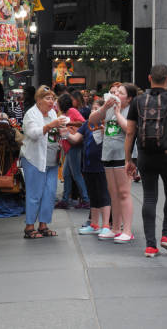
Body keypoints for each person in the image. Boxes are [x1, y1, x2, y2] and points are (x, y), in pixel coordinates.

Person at [125, 65, 167, 258]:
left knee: (149, 197)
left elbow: (130, 132)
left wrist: (129, 159)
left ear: (149, 78)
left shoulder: (137, 101)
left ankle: (150, 246)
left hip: (145, 155)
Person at [89, 83, 138, 243]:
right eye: (114, 92)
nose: (116, 95)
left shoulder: (131, 110)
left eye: (120, 93)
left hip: (124, 156)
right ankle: (115, 228)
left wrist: (117, 113)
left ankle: (127, 230)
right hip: (108, 154)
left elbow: (129, 129)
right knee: (113, 193)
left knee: (124, 192)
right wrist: (105, 108)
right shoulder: (109, 108)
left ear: (129, 98)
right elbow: (92, 120)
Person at [20, 85, 66, 239]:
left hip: (52, 160)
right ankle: (29, 226)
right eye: (47, 98)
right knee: (34, 194)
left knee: (49, 193)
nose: (51, 101)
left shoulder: (53, 112)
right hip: (34, 159)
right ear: (38, 100)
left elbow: (58, 132)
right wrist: (50, 126)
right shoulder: (31, 114)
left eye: (53, 98)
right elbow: (33, 133)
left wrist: (63, 129)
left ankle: (44, 225)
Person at [64, 99, 112, 236]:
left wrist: (105, 133)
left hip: (102, 165)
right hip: (88, 165)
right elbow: (75, 139)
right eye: (92, 108)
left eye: (97, 108)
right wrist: (66, 134)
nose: (93, 111)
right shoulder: (87, 124)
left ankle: (106, 225)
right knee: (93, 196)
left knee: (104, 195)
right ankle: (94, 224)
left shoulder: (106, 124)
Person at [55, 93, 89, 209]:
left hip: (73, 145)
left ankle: (85, 199)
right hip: (68, 146)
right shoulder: (64, 113)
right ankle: (66, 200)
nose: (57, 105)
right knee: (67, 174)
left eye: (58, 103)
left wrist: (68, 123)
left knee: (75, 174)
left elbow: (83, 122)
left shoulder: (72, 111)